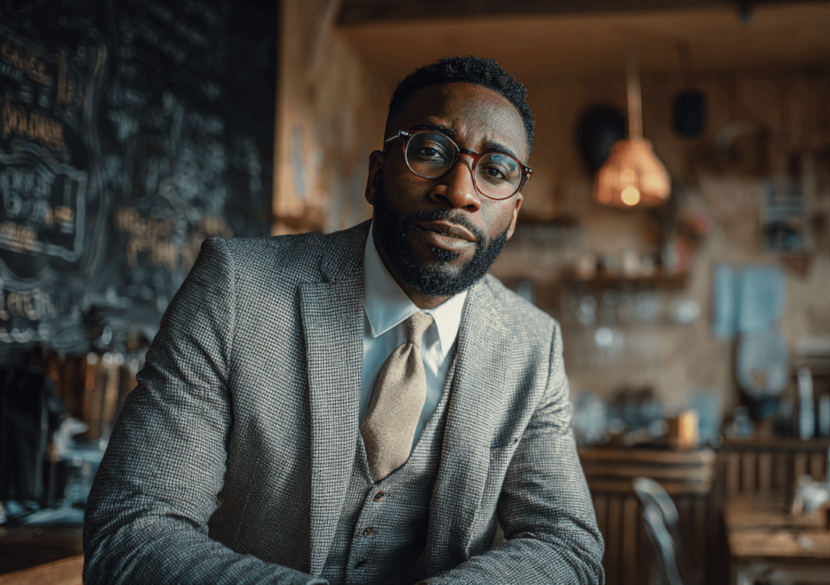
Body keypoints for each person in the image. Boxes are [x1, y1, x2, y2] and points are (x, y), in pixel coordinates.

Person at [83, 56, 604, 584]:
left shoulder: (533, 346)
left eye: (495, 171)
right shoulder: (236, 289)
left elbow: (567, 544)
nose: (460, 190)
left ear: (512, 216)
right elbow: (131, 530)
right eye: (429, 151)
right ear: (377, 176)